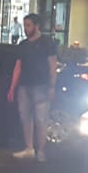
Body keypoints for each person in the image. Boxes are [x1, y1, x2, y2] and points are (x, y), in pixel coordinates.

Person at [7, 13, 58, 162]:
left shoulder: (47, 42)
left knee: (41, 119)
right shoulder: (23, 45)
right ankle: (29, 148)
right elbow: (18, 66)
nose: (25, 28)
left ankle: (40, 150)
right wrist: (12, 87)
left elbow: (52, 65)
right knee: (25, 117)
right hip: (24, 86)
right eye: (25, 25)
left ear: (37, 26)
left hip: (41, 85)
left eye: (28, 25)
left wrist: (52, 86)